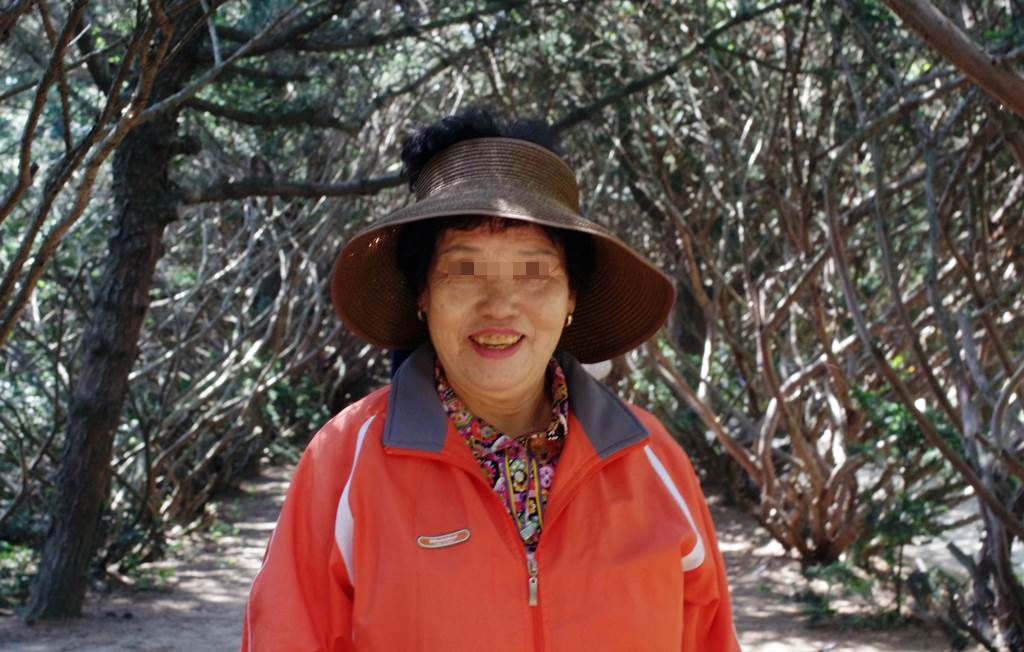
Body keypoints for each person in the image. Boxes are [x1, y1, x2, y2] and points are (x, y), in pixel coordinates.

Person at [240, 109, 741, 651]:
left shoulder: (652, 459)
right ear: (423, 294)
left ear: (571, 296)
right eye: (464, 270)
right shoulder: (345, 462)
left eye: (533, 272)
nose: (500, 305)